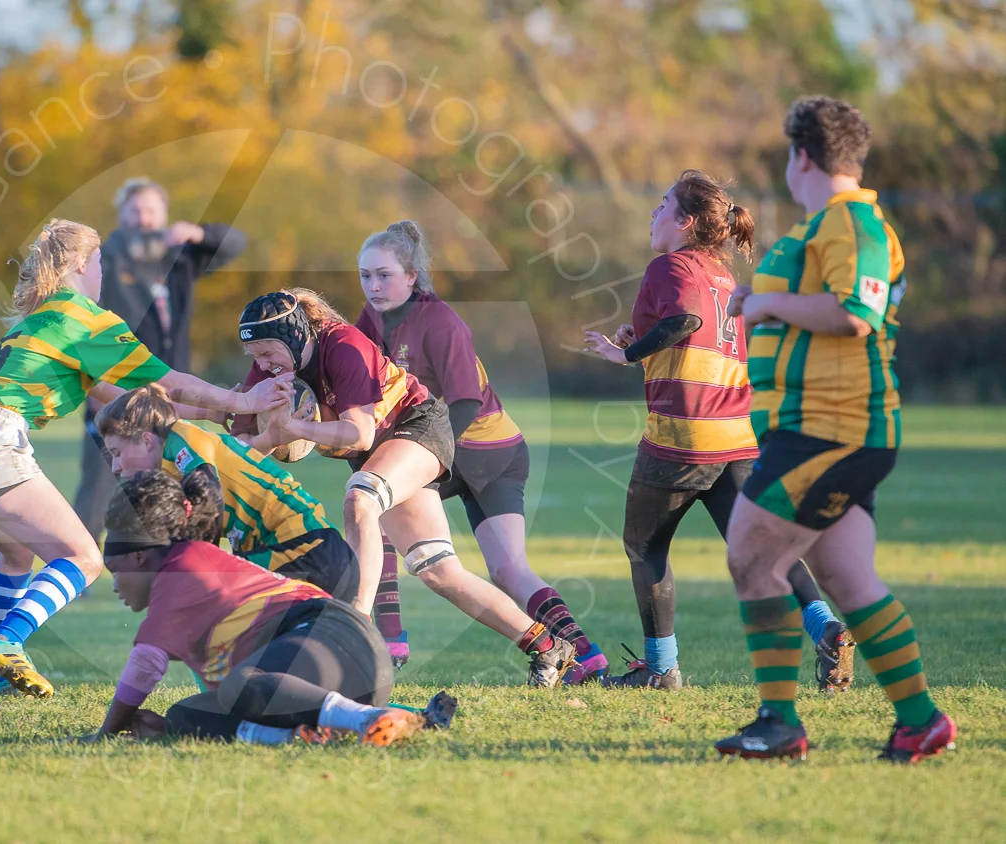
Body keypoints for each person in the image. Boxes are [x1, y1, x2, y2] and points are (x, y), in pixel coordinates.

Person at [0, 219, 288, 700]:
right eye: (99, 262)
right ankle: (4, 642)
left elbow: (139, 400)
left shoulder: (44, 317)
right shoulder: (86, 317)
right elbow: (169, 380)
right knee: (83, 557)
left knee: (16, 553)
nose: (102, 272)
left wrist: (218, 413)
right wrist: (244, 403)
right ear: (80, 264)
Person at [712, 97, 954, 761]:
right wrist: (760, 301)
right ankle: (920, 720)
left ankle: (779, 722)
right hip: (817, 426)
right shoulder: (826, 224)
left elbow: (855, 312)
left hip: (831, 429)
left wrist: (761, 301)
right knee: (847, 580)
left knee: (751, 555)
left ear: (801, 156)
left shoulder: (853, 223)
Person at [584, 171, 848, 691]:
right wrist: (641, 339)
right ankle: (828, 628)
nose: (652, 215)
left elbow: (682, 322)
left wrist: (625, 354)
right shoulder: (721, 275)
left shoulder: (669, 264)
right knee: (762, 550)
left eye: (661, 206)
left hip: (684, 438)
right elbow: (697, 334)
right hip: (737, 435)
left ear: (684, 222)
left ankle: (661, 670)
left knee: (644, 547)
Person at [235, 288, 580, 687]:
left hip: (417, 425)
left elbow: (360, 434)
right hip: (382, 453)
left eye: (268, 353)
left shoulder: (343, 343)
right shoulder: (269, 368)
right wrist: (269, 435)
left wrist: (293, 428)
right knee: (437, 570)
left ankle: (356, 627)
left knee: (359, 498)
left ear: (295, 336)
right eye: (256, 356)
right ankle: (546, 646)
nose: (262, 365)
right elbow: (244, 446)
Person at [356, 221, 608, 682]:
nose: (373, 285)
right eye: (365, 275)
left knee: (373, 498)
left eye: (384, 275)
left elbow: (467, 402)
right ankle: (586, 657)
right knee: (511, 571)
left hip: (484, 449)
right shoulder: (369, 321)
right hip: (495, 449)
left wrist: (421, 456)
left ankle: (389, 638)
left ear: (412, 275)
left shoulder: (439, 320)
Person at [88, 470, 427, 747]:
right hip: (346, 668)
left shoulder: (180, 570)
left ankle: (365, 718)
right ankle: (303, 736)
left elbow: (146, 664)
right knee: (184, 715)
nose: (116, 586)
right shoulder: (186, 573)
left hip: (335, 635)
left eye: (116, 572)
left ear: (139, 556)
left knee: (240, 685)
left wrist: (106, 733)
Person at [72, 178, 248, 539]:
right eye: (135, 211)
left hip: (171, 390)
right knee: (99, 485)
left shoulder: (178, 257)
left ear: (164, 215)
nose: (144, 219)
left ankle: (165, 566)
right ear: (122, 215)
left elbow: (234, 242)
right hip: (116, 391)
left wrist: (197, 233)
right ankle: (78, 567)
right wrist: (95, 391)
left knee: (168, 483)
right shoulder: (108, 259)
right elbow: (86, 332)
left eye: (151, 210)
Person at [94, 383, 358, 601]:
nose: (116, 466)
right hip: (295, 553)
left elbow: (207, 493)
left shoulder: (178, 436)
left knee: (208, 606)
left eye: (117, 453)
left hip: (306, 548)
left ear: (146, 440)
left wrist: (190, 571)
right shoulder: (166, 475)